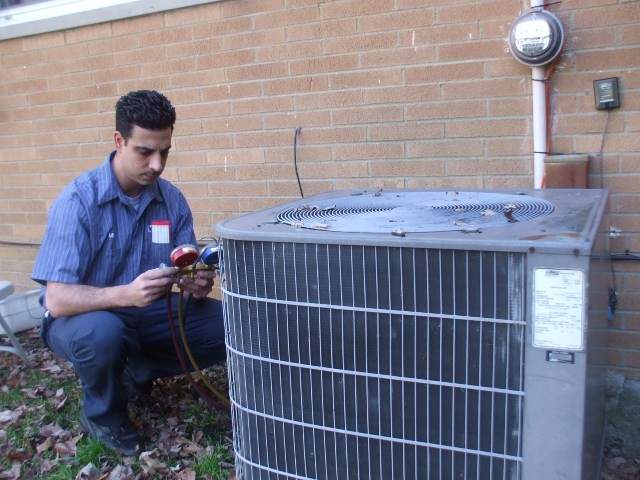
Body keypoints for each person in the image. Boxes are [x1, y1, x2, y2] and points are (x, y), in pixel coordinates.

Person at [32, 90, 226, 456]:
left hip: (148, 311)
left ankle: (136, 369)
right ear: (119, 141)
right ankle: (103, 415)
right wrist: (124, 295)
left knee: (228, 325)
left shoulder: (171, 200)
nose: (157, 165)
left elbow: (184, 269)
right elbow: (56, 300)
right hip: (81, 318)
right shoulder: (79, 201)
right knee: (103, 334)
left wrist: (194, 285)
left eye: (164, 151)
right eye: (145, 151)